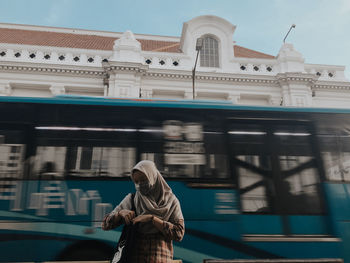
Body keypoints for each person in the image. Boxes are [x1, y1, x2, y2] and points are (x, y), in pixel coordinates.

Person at [102, 160, 185, 262]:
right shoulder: (132, 200)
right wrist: (120, 213)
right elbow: (105, 225)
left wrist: (152, 219)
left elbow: (179, 233)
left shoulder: (172, 202)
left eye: (143, 180)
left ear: (153, 177)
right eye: (136, 182)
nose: (140, 185)